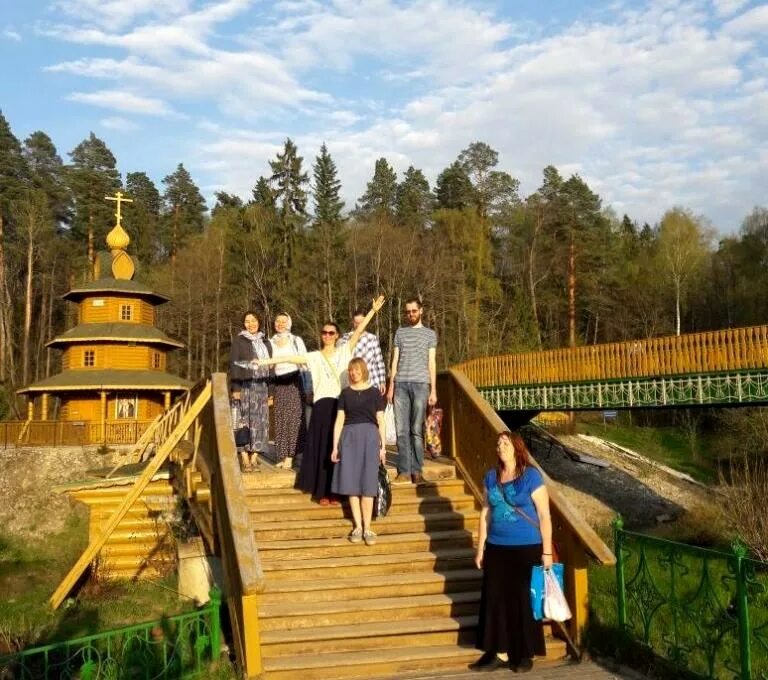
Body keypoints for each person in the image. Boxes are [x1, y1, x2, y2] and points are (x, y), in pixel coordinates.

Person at [253, 295, 385, 504]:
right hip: (323, 405)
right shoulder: (313, 356)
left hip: (342, 404)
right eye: (324, 332)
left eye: (331, 332)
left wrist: (373, 311)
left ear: (337, 335)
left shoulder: (344, 351)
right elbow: (287, 358)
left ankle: (340, 491)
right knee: (323, 448)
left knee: (342, 448)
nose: (327, 335)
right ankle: (323, 491)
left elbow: (359, 332)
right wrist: (263, 361)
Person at [471, 431, 553, 673]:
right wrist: (480, 547)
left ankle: (525, 652)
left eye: (505, 442)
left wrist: (546, 552)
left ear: (516, 447)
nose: (500, 446)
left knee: (523, 599)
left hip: (526, 546)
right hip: (497, 546)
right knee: (495, 599)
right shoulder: (490, 477)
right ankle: (500, 652)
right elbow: (485, 512)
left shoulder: (531, 477)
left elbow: (544, 515)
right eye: (498, 443)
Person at [330, 357, 387, 546]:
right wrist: (335, 446)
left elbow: (381, 421)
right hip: (349, 438)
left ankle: (368, 527)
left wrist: (383, 446)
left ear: (363, 370)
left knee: (368, 483)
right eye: (351, 371)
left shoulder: (374, 393)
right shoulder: (345, 394)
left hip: (370, 438)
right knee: (351, 483)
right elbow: (339, 420)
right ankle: (358, 526)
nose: (353, 373)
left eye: (356, 370)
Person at [386, 297, 437, 484]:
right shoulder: (400, 332)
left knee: (416, 430)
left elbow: (432, 363)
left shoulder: (430, 334)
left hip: (421, 384)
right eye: (408, 312)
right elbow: (394, 361)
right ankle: (404, 471)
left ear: (421, 311)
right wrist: (391, 387)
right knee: (401, 430)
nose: (410, 314)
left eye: (414, 311)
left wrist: (434, 390)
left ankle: (417, 471)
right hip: (400, 385)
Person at [229, 311, 272, 472]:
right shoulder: (239, 341)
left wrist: (271, 392)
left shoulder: (266, 342)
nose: (251, 324)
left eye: (253, 320)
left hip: (262, 388)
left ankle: (254, 457)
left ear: (259, 322)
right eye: (247, 321)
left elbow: (271, 367)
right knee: (243, 422)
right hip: (245, 386)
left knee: (260, 422)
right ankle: (244, 458)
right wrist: (236, 388)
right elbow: (234, 365)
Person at [269, 313, 307, 470]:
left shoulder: (296, 340)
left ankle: (291, 456)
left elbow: (305, 362)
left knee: (293, 420)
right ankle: (282, 455)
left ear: (289, 323)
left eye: (283, 321)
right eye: (277, 321)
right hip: (278, 384)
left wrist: (309, 386)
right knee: (280, 420)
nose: (280, 323)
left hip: (294, 382)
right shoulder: (270, 342)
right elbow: (268, 366)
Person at [339, 310, 387, 394]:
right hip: (352, 384)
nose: (359, 325)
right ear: (352, 322)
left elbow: (379, 361)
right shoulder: (345, 338)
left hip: (371, 383)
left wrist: (382, 381)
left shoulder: (372, 338)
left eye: (361, 322)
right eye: (356, 322)